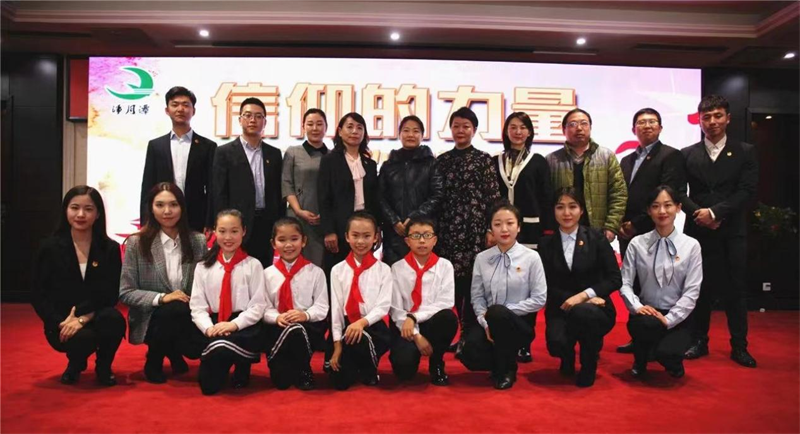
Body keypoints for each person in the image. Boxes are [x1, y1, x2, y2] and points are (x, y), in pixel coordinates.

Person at [680, 95, 759, 368]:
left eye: (717, 116)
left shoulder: (745, 151)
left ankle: (739, 346)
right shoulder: (687, 153)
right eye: (706, 117)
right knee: (698, 288)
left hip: (731, 231)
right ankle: (698, 341)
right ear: (699, 121)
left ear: (728, 118)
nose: (712, 122)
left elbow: (746, 190)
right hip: (697, 231)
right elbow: (679, 192)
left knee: (735, 290)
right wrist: (699, 214)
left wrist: (715, 213)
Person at [32, 186, 126, 386]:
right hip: (62, 319)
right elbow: (38, 294)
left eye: (88, 209)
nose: (81, 214)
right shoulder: (49, 248)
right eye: (74, 208)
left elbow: (111, 293)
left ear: (98, 214)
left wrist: (84, 318)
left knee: (114, 319)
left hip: (95, 314)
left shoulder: (109, 248)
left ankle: (104, 367)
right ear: (66, 210)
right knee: (83, 338)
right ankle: (75, 364)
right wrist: (60, 322)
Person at [120, 182, 208, 383]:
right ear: (151, 208)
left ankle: (173, 350)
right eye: (160, 205)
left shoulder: (198, 241)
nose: (167, 211)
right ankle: (154, 360)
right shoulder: (136, 243)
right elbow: (126, 292)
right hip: (150, 316)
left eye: (173, 205)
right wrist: (162, 298)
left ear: (182, 207)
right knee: (171, 308)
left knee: (183, 320)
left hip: (187, 313)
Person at [616, 108, 686, 354]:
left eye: (652, 121)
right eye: (641, 122)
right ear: (633, 129)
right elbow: (620, 195)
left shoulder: (670, 156)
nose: (646, 126)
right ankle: (639, 337)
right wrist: (620, 223)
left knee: (657, 283)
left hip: (654, 230)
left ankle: (660, 337)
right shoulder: (626, 160)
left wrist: (637, 223)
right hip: (627, 233)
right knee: (634, 285)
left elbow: (666, 194)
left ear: (660, 127)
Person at [458, 201, 547, 390]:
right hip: (488, 323)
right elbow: (477, 297)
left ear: (519, 226)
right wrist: (485, 322)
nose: (504, 229)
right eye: (497, 224)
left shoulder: (532, 258)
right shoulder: (482, 258)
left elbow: (539, 299)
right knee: (468, 354)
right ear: (491, 229)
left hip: (519, 324)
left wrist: (505, 312)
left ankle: (507, 369)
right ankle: (499, 362)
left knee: (498, 313)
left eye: (510, 223)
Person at [539, 188, 621, 387]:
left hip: (595, 307)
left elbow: (614, 278)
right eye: (560, 207)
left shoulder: (596, 238)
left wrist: (586, 296)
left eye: (572, 207)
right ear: (553, 210)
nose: (566, 213)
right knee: (556, 344)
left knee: (584, 314)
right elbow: (544, 284)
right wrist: (573, 299)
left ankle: (588, 364)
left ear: (582, 210)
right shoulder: (546, 243)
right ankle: (566, 356)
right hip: (561, 306)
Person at [435, 106, 501, 351]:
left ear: (474, 130)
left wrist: (490, 230)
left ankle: (470, 334)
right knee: (452, 283)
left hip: (475, 231)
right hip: (448, 230)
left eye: (466, 126)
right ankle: (458, 333)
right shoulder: (442, 161)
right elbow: (436, 197)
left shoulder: (484, 159)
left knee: (473, 284)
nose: (460, 130)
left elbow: (493, 198)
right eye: (456, 126)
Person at [621, 185, 702, 379]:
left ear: (678, 208)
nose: (662, 211)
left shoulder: (691, 245)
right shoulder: (637, 243)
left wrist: (669, 319)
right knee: (645, 326)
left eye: (668, 205)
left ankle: (671, 360)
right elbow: (625, 283)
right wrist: (638, 307)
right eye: (656, 206)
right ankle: (641, 358)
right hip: (646, 313)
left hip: (678, 316)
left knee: (667, 353)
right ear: (649, 210)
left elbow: (692, 291)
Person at [495, 111, 554, 363]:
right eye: (513, 127)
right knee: (503, 284)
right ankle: (502, 334)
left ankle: (524, 341)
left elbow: (546, 198)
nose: (517, 132)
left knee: (526, 286)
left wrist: (548, 233)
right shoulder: (496, 160)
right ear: (506, 131)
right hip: (502, 231)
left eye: (522, 127)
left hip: (531, 230)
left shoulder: (538, 161)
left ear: (529, 132)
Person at [189, 209, 267, 395]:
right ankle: (223, 355)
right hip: (214, 325)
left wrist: (233, 325)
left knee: (224, 346)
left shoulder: (253, 265)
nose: (228, 237)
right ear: (214, 232)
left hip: (242, 325)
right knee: (208, 386)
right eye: (222, 231)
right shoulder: (203, 267)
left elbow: (258, 306)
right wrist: (209, 328)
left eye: (234, 231)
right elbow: (197, 306)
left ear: (244, 231)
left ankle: (242, 363)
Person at [212, 97, 285, 267]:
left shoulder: (274, 154)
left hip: (266, 222)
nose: (253, 120)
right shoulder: (224, 152)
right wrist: (221, 223)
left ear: (265, 122)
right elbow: (219, 191)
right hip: (237, 223)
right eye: (248, 115)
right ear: (240, 119)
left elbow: (278, 191)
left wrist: (279, 221)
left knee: (263, 268)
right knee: (235, 269)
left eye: (258, 116)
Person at [389, 217, 457, 386]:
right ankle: (411, 355)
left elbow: (446, 302)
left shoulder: (444, 266)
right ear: (407, 241)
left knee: (448, 317)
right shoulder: (397, 268)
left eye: (427, 235)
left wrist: (414, 317)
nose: (421, 241)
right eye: (415, 236)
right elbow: (395, 309)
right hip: (405, 327)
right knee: (404, 371)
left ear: (435, 240)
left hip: (431, 323)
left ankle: (437, 362)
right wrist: (416, 335)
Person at [263, 217, 329, 390]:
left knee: (297, 329)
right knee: (281, 382)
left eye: (294, 239)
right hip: (278, 327)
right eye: (282, 240)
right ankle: (277, 360)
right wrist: (277, 317)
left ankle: (304, 368)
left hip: (306, 327)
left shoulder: (316, 272)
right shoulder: (266, 274)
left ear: (304, 241)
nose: (288, 245)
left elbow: (322, 307)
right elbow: (263, 307)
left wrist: (305, 315)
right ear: (273, 243)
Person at [140, 86, 217, 234]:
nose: (180, 109)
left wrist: (210, 220)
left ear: (193, 111)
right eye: (175, 105)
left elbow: (212, 188)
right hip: (163, 215)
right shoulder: (156, 146)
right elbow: (148, 185)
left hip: (196, 217)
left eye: (186, 105)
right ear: (167, 110)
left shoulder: (207, 146)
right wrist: (145, 220)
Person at [329, 212, 392, 390]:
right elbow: (336, 310)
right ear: (347, 237)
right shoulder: (337, 270)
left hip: (372, 325)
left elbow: (383, 306)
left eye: (366, 236)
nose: (360, 241)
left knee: (363, 337)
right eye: (355, 235)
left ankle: (369, 366)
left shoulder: (384, 270)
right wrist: (337, 345)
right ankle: (355, 363)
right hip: (347, 327)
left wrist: (362, 323)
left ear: (376, 238)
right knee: (338, 381)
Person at [546, 108, 627, 243]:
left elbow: (619, 194)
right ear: (564, 130)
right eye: (573, 124)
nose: (579, 128)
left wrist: (611, 226)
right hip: (561, 232)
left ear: (590, 127)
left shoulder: (606, 156)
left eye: (584, 123)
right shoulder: (552, 160)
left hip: (597, 231)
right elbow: (545, 199)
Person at [318, 112, 381, 277]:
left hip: (365, 225)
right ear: (340, 131)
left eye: (359, 128)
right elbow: (324, 198)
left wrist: (377, 228)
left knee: (365, 272)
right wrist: (328, 231)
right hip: (340, 226)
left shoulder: (370, 164)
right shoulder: (329, 160)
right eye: (350, 127)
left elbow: (375, 199)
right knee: (338, 272)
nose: (355, 131)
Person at [378, 115, 443, 265]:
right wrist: (394, 221)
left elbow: (437, 195)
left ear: (422, 135)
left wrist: (414, 218)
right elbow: (380, 197)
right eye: (406, 130)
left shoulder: (431, 163)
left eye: (416, 131)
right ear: (399, 134)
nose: (411, 135)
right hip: (394, 233)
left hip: (423, 230)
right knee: (395, 273)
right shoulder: (389, 165)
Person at [281, 108, 330, 267]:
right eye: (310, 124)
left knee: (318, 265)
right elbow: (286, 183)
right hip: (297, 216)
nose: (315, 128)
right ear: (303, 127)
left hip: (323, 220)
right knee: (293, 263)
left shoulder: (332, 156)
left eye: (319, 124)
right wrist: (298, 211)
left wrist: (327, 214)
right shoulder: (293, 152)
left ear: (326, 127)